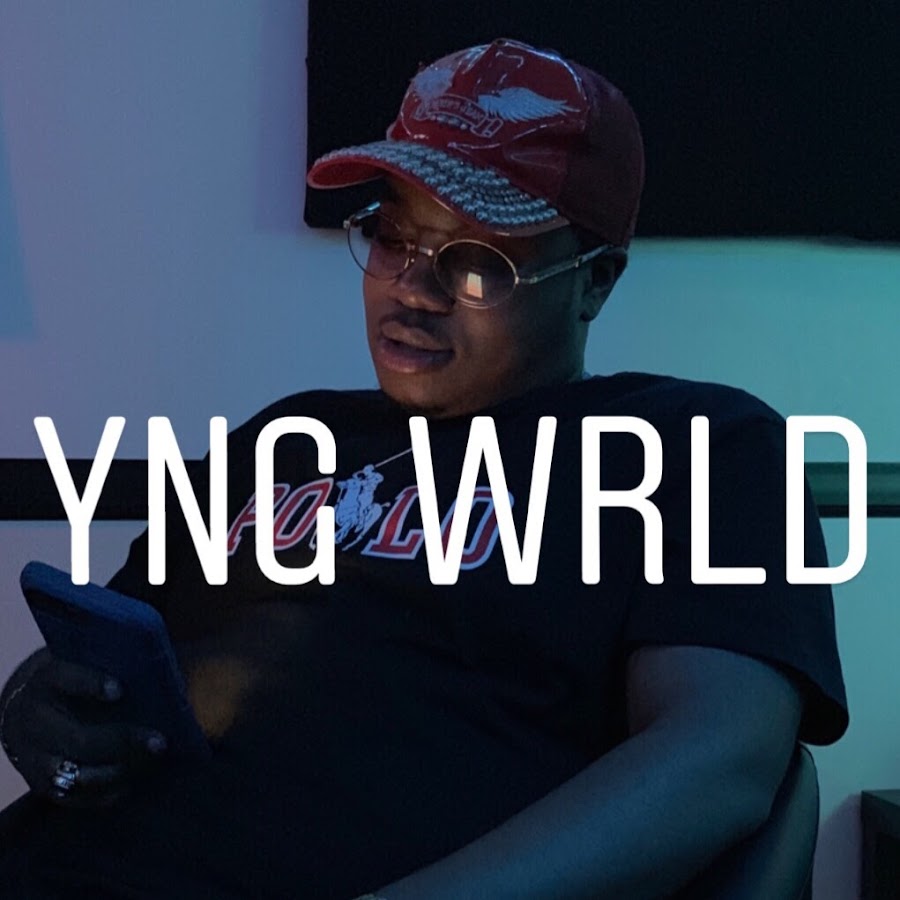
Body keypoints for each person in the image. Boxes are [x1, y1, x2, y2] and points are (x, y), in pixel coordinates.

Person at [0, 38, 847, 899]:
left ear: (595, 282)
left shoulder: (694, 445)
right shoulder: (287, 435)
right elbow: (112, 665)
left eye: (478, 262)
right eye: (393, 236)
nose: (414, 288)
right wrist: (36, 704)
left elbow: (720, 758)